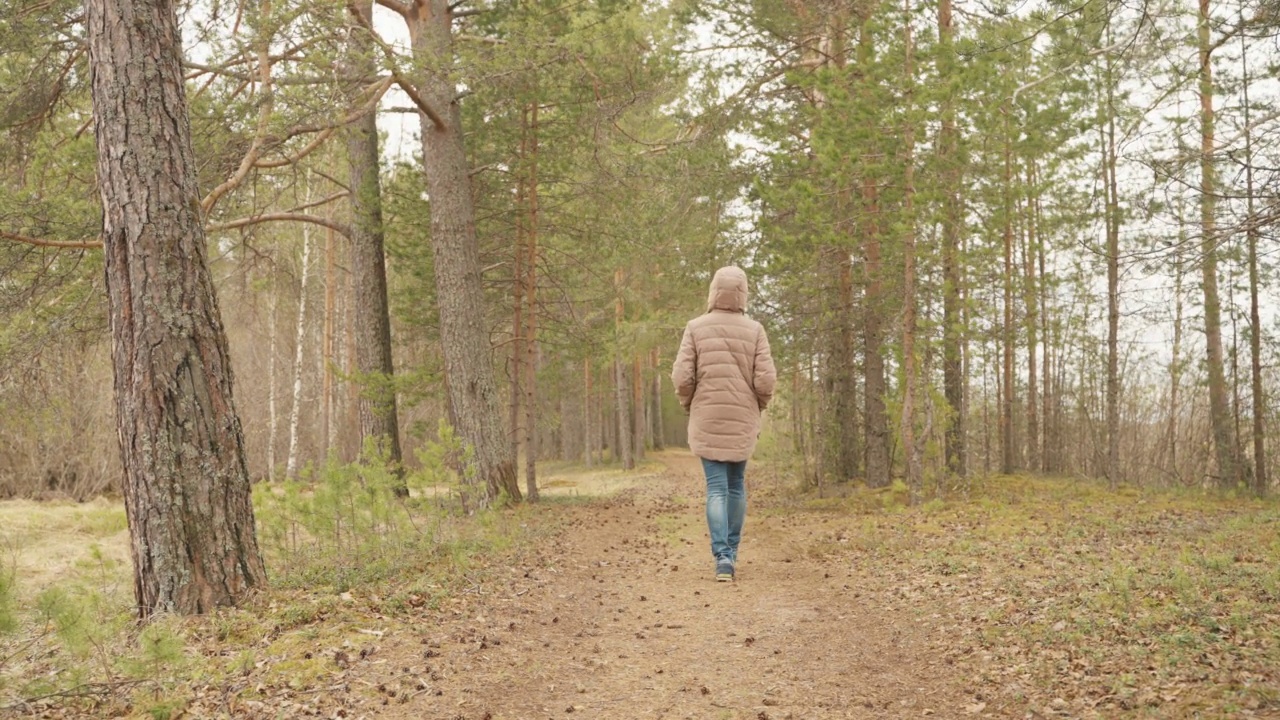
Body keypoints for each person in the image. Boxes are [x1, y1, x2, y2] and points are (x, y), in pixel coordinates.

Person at [671, 266, 777, 582]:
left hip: (707, 414)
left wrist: (688, 402)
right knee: (736, 486)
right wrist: (759, 405)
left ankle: (722, 558)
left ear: (714, 291)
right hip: (743, 415)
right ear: (743, 293)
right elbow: (766, 380)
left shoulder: (695, 327)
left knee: (716, 488)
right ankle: (732, 551)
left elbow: (681, 376)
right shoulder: (755, 329)